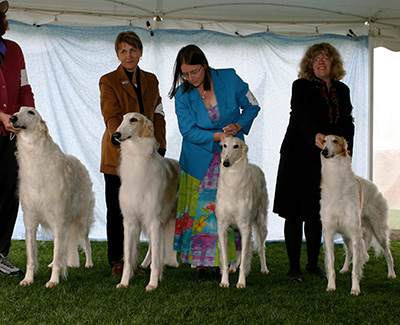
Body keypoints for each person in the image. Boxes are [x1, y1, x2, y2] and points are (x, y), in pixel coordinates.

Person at [168, 44, 260, 280]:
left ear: (205, 65)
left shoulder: (229, 78)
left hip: (232, 159)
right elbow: (187, 131)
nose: (190, 78)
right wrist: (217, 136)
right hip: (198, 158)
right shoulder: (182, 94)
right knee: (203, 211)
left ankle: (230, 261)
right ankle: (201, 263)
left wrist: (238, 125)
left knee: (234, 208)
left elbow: (253, 105)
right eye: (185, 74)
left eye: (194, 72)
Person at [273, 43, 355, 283]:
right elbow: (301, 114)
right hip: (298, 155)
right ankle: (294, 269)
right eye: (316, 59)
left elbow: (347, 122)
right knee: (294, 211)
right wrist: (315, 136)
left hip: (327, 161)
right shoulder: (301, 86)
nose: (321, 62)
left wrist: (346, 151)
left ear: (334, 63)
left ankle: (312, 264)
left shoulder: (342, 90)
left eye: (325, 58)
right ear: (310, 64)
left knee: (317, 212)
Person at [99, 31, 166, 276]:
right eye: (123, 51)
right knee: (118, 210)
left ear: (140, 52)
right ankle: (119, 260)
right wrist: (120, 137)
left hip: (148, 157)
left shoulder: (152, 80)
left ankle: (144, 259)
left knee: (146, 208)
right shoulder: (108, 80)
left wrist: (160, 142)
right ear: (117, 54)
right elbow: (111, 115)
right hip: (117, 155)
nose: (129, 55)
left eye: (133, 50)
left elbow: (158, 113)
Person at [0, 0, 35, 276]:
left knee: (10, 194)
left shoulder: (14, 50)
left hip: (12, 139)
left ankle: (1, 253)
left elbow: (24, 89)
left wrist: (29, 117)